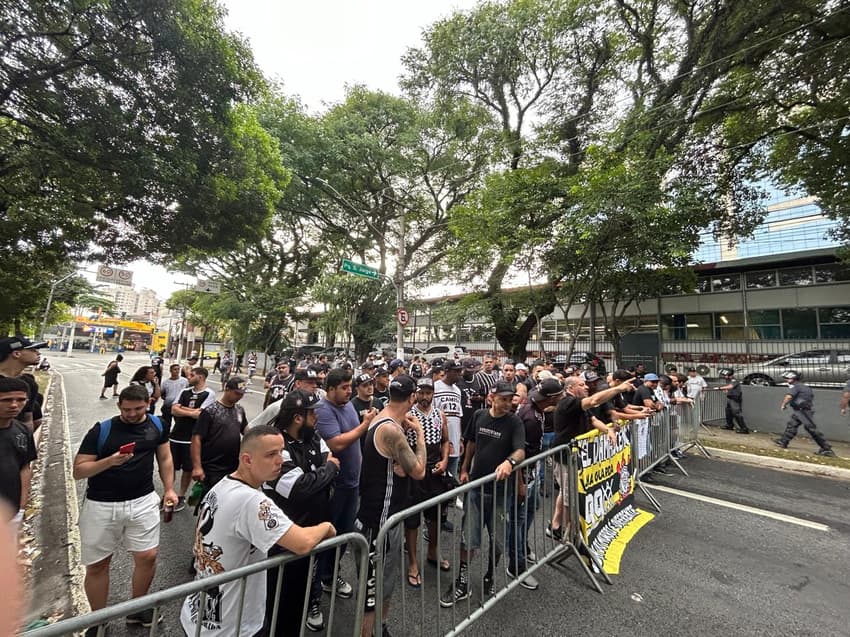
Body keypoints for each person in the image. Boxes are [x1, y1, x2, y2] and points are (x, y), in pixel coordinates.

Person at [180, 425, 336, 637]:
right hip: (231, 625)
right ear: (247, 460)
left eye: (281, 452)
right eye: (271, 455)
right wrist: (326, 527)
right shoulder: (252, 501)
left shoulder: (221, 486)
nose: (280, 460)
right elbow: (303, 542)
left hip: (200, 615)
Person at [73, 384, 177, 631]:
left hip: (142, 501)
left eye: (138, 409)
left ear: (148, 404)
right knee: (98, 565)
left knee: (148, 557)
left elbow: (165, 458)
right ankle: (98, 620)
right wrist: (110, 461)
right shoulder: (102, 430)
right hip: (101, 504)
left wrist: (170, 489)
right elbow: (79, 470)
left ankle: (137, 608)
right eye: (127, 409)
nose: (132, 414)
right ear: (119, 405)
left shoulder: (158, 425)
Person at [440, 380, 527, 607]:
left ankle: (490, 573)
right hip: (476, 490)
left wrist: (509, 462)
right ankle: (463, 580)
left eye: (511, 399)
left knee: (497, 540)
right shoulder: (479, 416)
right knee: (469, 537)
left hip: (500, 493)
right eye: (504, 399)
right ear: (492, 397)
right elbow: (471, 443)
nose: (508, 403)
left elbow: (520, 450)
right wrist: (465, 468)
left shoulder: (515, 422)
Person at [263, 390, 340, 635]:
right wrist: (327, 471)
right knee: (277, 603)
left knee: (299, 598)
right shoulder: (277, 446)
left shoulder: (312, 436)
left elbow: (330, 457)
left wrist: (321, 471)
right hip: (284, 540)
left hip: (310, 536)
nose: (317, 416)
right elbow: (299, 488)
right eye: (312, 412)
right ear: (298, 417)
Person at [356, 375, 427, 637]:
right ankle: (368, 632)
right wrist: (418, 434)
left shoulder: (385, 419)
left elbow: (397, 465)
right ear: (411, 398)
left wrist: (400, 463)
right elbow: (418, 470)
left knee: (385, 583)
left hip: (386, 516)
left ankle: (380, 628)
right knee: (373, 591)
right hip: (379, 520)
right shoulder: (391, 430)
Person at [548, 375, 635, 541]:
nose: (587, 387)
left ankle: (555, 525)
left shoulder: (579, 402)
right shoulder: (568, 402)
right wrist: (618, 389)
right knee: (569, 497)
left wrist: (607, 430)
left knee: (566, 492)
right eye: (582, 384)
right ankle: (569, 535)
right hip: (566, 456)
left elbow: (593, 419)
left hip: (575, 456)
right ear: (570, 388)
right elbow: (595, 400)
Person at [315, 369, 373, 610]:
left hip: (352, 484)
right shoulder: (323, 409)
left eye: (350, 386)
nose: (349, 391)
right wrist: (365, 425)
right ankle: (314, 590)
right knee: (327, 536)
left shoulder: (347, 405)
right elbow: (336, 442)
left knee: (343, 534)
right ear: (330, 389)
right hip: (335, 486)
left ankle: (330, 576)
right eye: (344, 387)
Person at [403, 377, 451, 587]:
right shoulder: (408, 416)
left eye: (428, 392)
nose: (424, 396)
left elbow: (445, 441)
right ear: (415, 394)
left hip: (435, 471)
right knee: (412, 519)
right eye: (421, 392)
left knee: (436, 517)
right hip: (415, 471)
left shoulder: (440, 415)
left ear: (433, 393)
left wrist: (445, 460)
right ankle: (413, 562)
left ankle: (432, 552)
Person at [170, 367, 216, 510]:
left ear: (201, 377)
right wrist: (191, 412)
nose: (188, 376)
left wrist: (182, 409)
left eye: (192, 374)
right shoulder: (184, 391)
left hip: (192, 438)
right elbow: (173, 409)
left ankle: (181, 495)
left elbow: (200, 414)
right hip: (176, 435)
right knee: (170, 467)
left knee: (188, 469)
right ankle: (169, 492)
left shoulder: (209, 394)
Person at [191, 376, 249, 491]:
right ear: (227, 389)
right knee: (209, 499)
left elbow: (246, 431)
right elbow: (196, 439)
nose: (240, 397)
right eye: (237, 393)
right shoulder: (210, 411)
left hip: (233, 466)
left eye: (242, 394)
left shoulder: (239, 410)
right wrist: (197, 467)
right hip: (212, 467)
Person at [0, 377, 37, 530]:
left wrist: (21, 507)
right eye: (6, 400)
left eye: (21, 399)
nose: (14, 405)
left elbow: (24, 467)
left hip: (10, 514)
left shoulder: (22, 431)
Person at [773, 371, 835, 456]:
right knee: (792, 425)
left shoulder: (796, 387)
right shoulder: (805, 387)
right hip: (801, 409)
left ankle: (826, 449)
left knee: (811, 429)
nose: (786, 380)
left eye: (788, 378)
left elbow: (789, 396)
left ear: (793, 379)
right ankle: (783, 441)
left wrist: (783, 404)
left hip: (803, 411)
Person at [0, 336, 47, 429]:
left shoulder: (29, 383)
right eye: (33, 350)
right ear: (17, 353)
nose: (38, 353)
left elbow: (28, 419)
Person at [717, 368, 750, 434]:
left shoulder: (734, 380)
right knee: (728, 412)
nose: (725, 376)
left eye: (726, 375)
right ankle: (729, 425)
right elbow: (729, 388)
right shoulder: (728, 380)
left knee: (736, 413)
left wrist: (720, 388)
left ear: (729, 375)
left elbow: (730, 386)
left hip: (735, 398)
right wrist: (726, 390)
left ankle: (744, 428)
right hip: (730, 398)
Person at [159, 363, 189, 430]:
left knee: (179, 424)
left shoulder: (184, 381)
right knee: (166, 423)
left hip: (180, 405)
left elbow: (188, 390)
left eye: (178, 369)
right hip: (168, 406)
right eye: (175, 369)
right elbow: (162, 393)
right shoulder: (165, 382)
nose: (177, 371)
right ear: (171, 371)